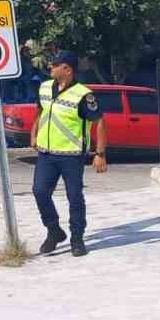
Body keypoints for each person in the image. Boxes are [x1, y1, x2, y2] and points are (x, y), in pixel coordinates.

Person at [29, 50, 107, 257]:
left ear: (67, 69)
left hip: (71, 155)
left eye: (54, 65)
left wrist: (99, 154)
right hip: (46, 153)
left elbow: (98, 122)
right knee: (39, 191)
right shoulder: (45, 87)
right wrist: (33, 131)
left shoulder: (83, 94)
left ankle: (77, 238)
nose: (50, 68)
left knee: (74, 196)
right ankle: (54, 230)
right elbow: (40, 111)